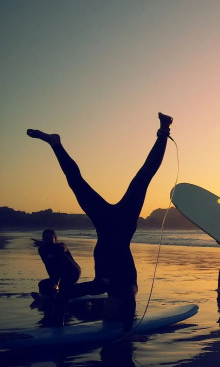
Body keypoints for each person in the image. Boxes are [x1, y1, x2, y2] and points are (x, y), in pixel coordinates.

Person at [27, 112, 173, 329]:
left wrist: (56, 327)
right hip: (124, 222)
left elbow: (67, 293)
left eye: (106, 311)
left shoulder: (100, 286)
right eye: (111, 310)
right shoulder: (128, 290)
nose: (106, 308)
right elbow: (130, 300)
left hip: (104, 223)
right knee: (143, 177)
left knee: (76, 183)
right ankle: (164, 130)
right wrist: (127, 330)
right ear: (121, 306)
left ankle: (55, 144)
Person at [33, 229, 81, 297]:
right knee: (42, 284)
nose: (48, 239)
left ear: (55, 238)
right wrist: (54, 280)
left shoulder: (61, 246)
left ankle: (76, 293)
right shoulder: (42, 250)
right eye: (45, 237)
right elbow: (48, 265)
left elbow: (60, 249)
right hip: (60, 272)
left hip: (73, 272)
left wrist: (45, 245)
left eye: (50, 237)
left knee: (63, 289)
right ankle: (47, 297)